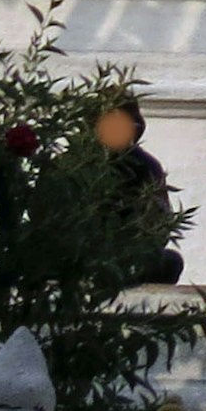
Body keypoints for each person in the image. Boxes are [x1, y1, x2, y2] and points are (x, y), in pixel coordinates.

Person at [81, 95, 183, 285]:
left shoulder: (146, 166)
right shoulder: (74, 164)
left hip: (128, 258)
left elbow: (160, 225)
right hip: (80, 258)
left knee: (170, 262)